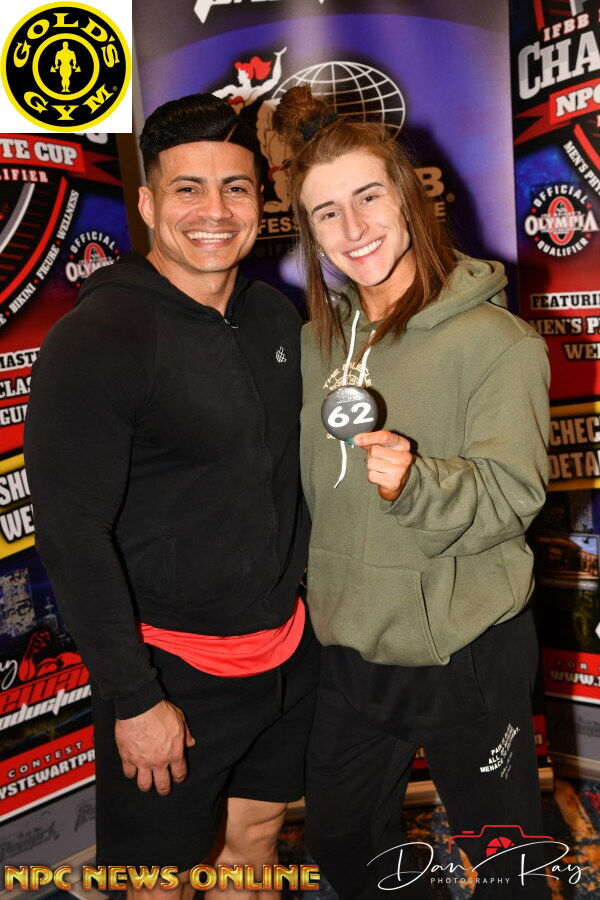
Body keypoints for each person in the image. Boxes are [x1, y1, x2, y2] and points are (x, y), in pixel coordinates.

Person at [24, 92, 318, 900]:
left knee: (254, 845)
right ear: (149, 205)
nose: (215, 211)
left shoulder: (273, 316)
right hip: (171, 675)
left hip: (287, 654)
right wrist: (136, 697)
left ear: (261, 200)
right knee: (159, 884)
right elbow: (73, 536)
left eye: (235, 187)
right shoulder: (99, 337)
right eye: (188, 188)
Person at [273, 87, 551, 898]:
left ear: (408, 197)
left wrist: (417, 482)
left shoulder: (496, 341)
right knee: (343, 843)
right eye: (326, 213)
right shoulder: (317, 342)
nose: (352, 228)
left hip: (465, 646)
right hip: (351, 644)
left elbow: (513, 494)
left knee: (506, 865)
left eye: (368, 197)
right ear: (310, 231)